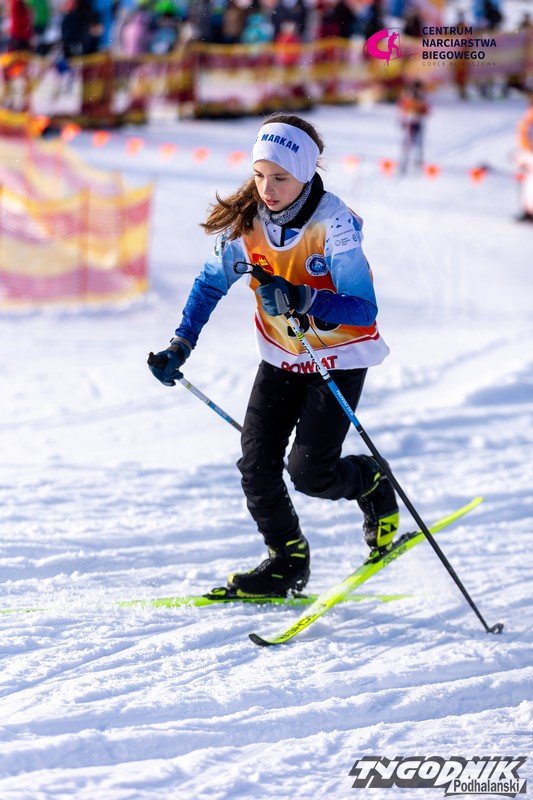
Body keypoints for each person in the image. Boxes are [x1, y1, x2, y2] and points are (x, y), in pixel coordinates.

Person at [148, 113, 399, 597]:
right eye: (260, 175)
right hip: (281, 357)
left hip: (337, 360)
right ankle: (287, 561)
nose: (267, 189)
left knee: (310, 474)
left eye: (280, 177)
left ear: (305, 172)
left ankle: (369, 480)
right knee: (256, 465)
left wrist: (303, 297)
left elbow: (363, 311)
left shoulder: (335, 224)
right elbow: (210, 284)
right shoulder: (248, 223)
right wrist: (181, 344)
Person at [398, 80, 429, 173]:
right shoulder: (409, 97)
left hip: (417, 122)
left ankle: (417, 162)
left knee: (417, 144)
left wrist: (420, 112)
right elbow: (403, 108)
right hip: (410, 123)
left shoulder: (421, 98)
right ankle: (405, 163)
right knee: (409, 144)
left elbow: (425, 110)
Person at [516, 91, 533, 223]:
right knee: (527, 183)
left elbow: (528, 137)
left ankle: (530, 211)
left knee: (530, 183)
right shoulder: (528, 116)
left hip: (530, 154)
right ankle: (528, 210)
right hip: (526, 153)